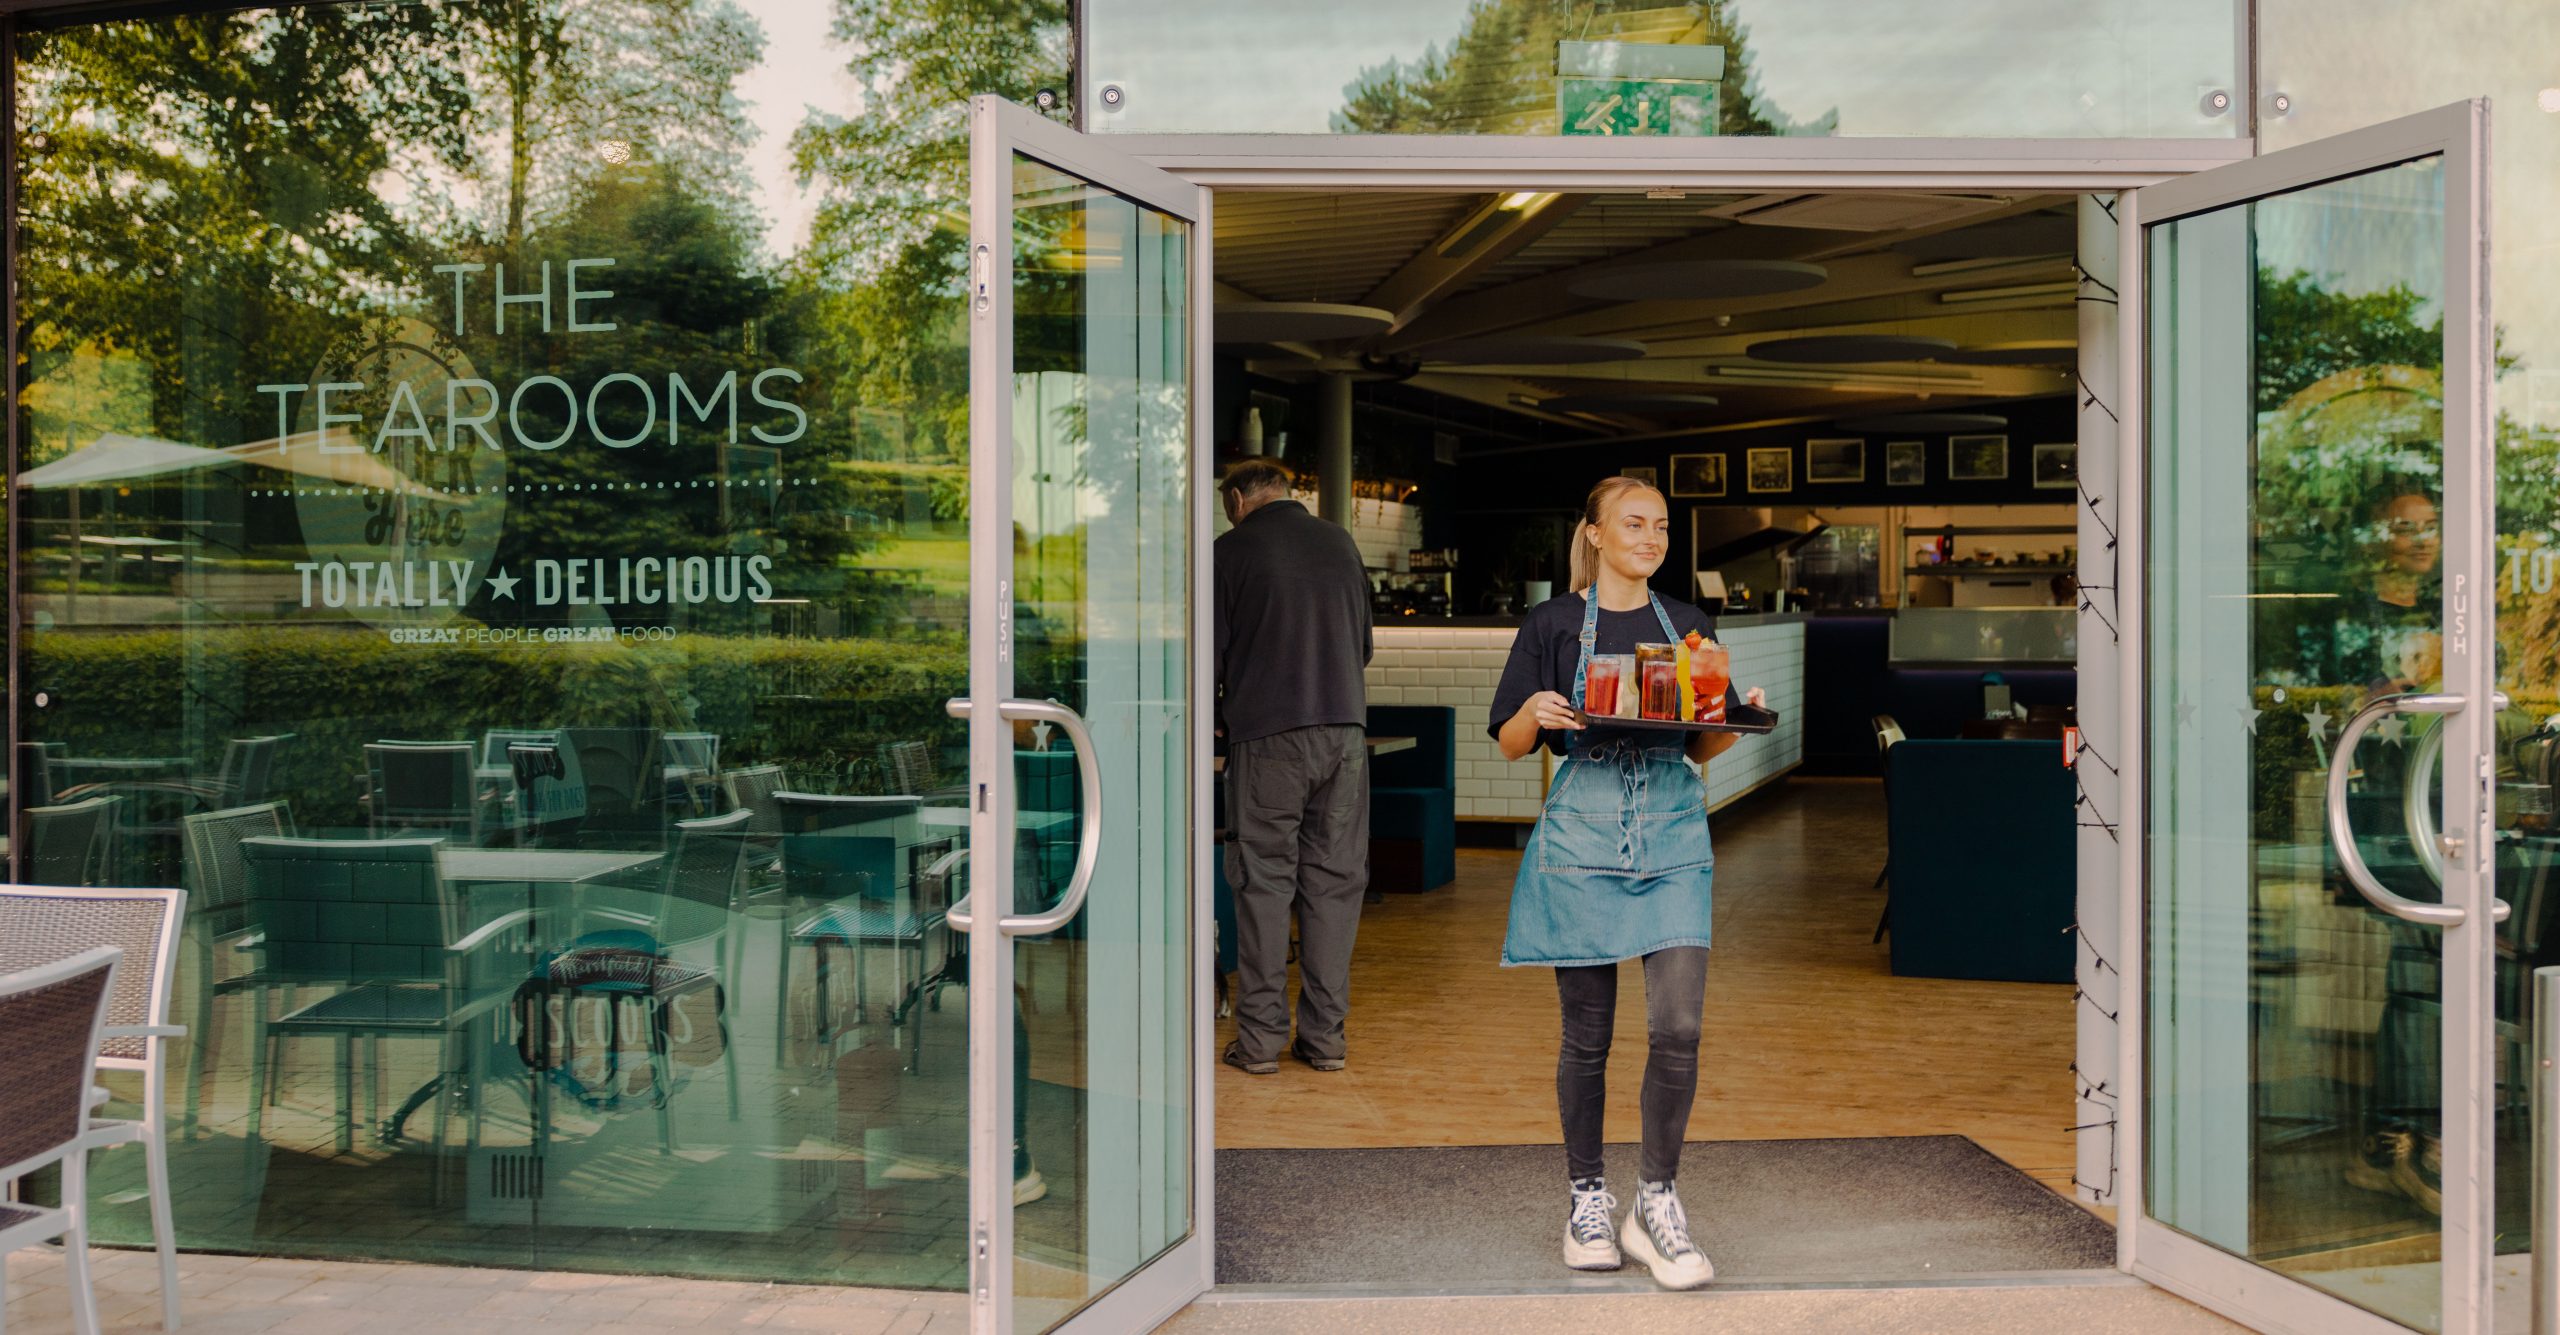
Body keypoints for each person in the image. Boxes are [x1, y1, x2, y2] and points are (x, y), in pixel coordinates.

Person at [1489, 475, 1764, 1291]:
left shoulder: (1690, 625)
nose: (1650, 536)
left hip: (1674, 836)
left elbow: (1699, 743)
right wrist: (1535, 711)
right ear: (1596, 533)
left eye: (1661, 526)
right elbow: (1509, 744)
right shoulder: (1551, 624)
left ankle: (1656, 1202)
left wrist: (1735, 716)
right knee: (1588, 1035)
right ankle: (1585, 1199)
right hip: (1582, 838)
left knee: (1678, 1028)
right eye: (1633, 523)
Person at [1215, 459, 1374, 1075]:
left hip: (1269, 739)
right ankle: (1325, 1041)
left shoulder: (1228, 552)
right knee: (1335, 883)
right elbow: (1362, 646)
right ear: (1287, 493)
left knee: (1262, 885)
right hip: (1345, 737)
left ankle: (1258, 1045)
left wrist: (1218, 720)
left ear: (1236, 499)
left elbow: (1210, 660)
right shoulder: (1340, 541)